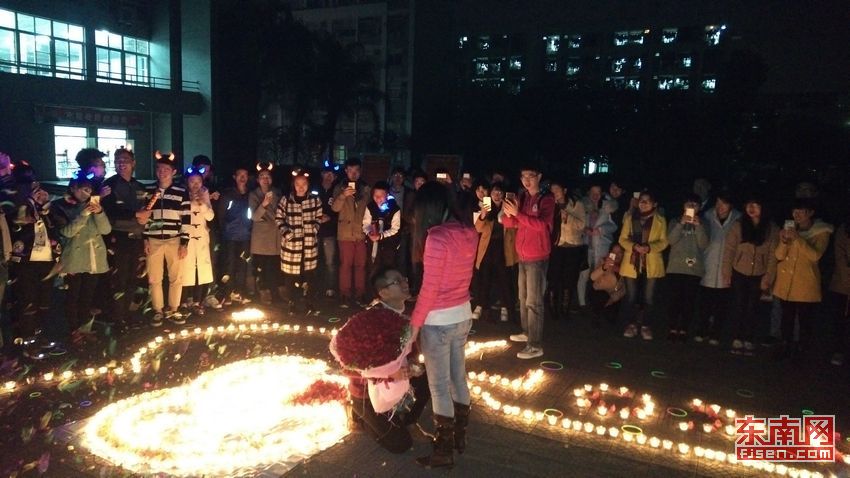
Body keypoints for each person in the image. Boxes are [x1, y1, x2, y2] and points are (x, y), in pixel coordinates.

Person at [409, 182, 477, 468]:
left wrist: (414, 327)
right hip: (462, 315)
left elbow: (429, 289)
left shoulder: (437, 237)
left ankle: (443, 451)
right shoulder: (469, 231)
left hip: (438, 321)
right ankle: (459, 438)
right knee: (458, 378)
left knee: (438, 387)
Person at [347, 267, 430, 454]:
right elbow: (351, 364)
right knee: (401, 445)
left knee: (429, 379)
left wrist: (413, 365)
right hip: (367, 391)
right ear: (383, 293)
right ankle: (359, 414)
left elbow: (410, 349)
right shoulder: (369, 319)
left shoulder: (408, 313)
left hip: (396, 380)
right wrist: (388, 374)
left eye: (404, 279)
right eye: (397, 281)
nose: (405, 283)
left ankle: (408, 421)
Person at [502, 165, 556, 359]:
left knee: (534, 301)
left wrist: (517, 214)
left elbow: (541, 225)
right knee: (523, 298)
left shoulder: (546, 199)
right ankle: (527, 332)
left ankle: (535, 344)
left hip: (537, 256)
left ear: (539, 176)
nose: (526, 180)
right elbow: (513, 223)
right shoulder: (523, 197)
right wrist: (508, 214)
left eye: (530, 176)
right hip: (522, 255)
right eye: (523, 176)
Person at [773, 199, 833, 360]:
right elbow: (779, 255)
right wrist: (783, 241)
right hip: (787, 282)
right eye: (795, 211)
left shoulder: (821, 232)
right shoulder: (790, 229)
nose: (797, 215)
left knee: (805, 320)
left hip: (805, 284)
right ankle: (785, 345)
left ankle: (802, 349)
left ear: (811, 213)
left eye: (801, 211)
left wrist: (797, 238)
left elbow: (815, 255)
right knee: (786, 317)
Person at [53, 170, 111, 335]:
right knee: (73, 296)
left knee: (87, 295)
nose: (86, 193)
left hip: (93, 257)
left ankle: (85, 328)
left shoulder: (93, 206)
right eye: (83, 189)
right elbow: (67, 232)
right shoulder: (60, 206)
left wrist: (99, 212)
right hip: (74, 258)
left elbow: (106, 230)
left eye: (89, 189)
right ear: (73, 189)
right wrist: (84, 214)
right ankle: (73, 330)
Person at [136, 153, 190, 327]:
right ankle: (158, 310)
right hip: (153, 239)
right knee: (154, 277)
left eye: (166, 169)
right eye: (159, 169)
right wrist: (145, 238)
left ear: (173, 172)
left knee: (176, 277)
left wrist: (184, 242)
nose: (162, 172)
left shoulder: (181, 192)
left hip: (174, 239)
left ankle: (173, 309)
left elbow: (186, 218)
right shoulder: (149, 191)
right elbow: (144, 217)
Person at [722, 194, 779, 355]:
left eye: (756, 205)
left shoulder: (772, 228)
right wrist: (726, 272)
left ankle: (749, 338)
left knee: (753, 307)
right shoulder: (738, 225)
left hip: (759, 273)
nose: (751, 208)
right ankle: (737, 337)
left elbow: (772, 256)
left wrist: (768, 278)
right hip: (739, 270)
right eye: (749, 205)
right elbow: (729, 250)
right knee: (739, 305)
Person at [102, 147, 146, 325]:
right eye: (118, 161)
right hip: (118, 238)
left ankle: (127, 314)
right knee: (118, 278)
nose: (121, 164)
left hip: (137, 237)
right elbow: (110, 211)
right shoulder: (109, 185)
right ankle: (117, 317)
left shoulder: (140, 186)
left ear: (133, 163)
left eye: (125, 160)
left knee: (133, 278)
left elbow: (146, 211)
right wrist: (135, 214)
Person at [618, 190, 668, 340]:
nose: (644, 203)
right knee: (631, 296)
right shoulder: (630, 218)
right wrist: (634, 246)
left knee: (649, 297)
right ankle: (631, 324)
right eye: (641, 200)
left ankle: (646, 325)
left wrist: (650, 247)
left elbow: (664, 241)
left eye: (647, 201)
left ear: (654, 204)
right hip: (632, 261)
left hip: (651, 261)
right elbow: (622, 239)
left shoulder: (660, 220)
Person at [694, 193, 740, 345]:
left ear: (731, 205)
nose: (720, 207)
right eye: (718, 203)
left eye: (724, 203)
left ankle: (716, 332)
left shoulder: (738, 219)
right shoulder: (707, 216)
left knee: (722, 304)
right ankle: (702, 329)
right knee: (704, 303)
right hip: (708, 265)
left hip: (726, 268)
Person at [275, 168, 322, 313]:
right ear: (293, 185)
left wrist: (313, 230)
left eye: (304, 184)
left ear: (308, 185)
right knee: (291, 277)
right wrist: (288, 234)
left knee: (309, 275)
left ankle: (309, 302)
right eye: (298, 184)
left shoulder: (315, 200)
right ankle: (292, 302)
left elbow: (319, 217)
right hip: (292, 246)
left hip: (308, 245)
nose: (301, 187)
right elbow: (279, 218)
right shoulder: (286, 200)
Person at [665, 194, 709, 341]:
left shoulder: (704, 223)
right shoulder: (675, 221)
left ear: (699, 207)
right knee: (674, 300)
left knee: (689, 302)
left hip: (693, 269)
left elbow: (703, 244)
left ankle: (684, 329)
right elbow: (670, 240)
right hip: (675, 268)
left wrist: (698, 226)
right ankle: (672, 328)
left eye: (694, 205)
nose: (691, 207)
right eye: (688, 204)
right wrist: (681, 224)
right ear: (683, 206)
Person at [472, 182, 517, 322]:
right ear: (490, 194)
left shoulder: (508, 206)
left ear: (504, 194)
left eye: (500, 193)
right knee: (484, 278)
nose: (497, 195)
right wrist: (483, 215)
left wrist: (509, 213)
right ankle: (482, 305)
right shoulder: (486, 206)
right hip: (487, 247)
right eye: (494, 193)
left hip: (504, 247)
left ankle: (505, 306)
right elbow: (478, 228)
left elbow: (515, 225)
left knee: (504, 278)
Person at [332, 158, 371, 307]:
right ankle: (345, 294)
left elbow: (370, 209)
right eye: (350, 171)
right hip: (345, 233)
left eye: (356, 171)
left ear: (360, 172)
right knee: (346, 265)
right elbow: (335, 208)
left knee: (361, 265)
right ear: (346, 171)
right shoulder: (339, 187)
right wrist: (343, 195)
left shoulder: (366, 188)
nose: (353, 174)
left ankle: (360, 294)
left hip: (361, 232)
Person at [546, 178, 586, 319]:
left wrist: (568, 217)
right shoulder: (550, 205)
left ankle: (565, 309)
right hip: (556, 246)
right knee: (554, 278)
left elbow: (582, 225)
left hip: (573, 246)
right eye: (552, 190)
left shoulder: (576, 204)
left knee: (569, 279)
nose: (554, 193)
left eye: (557, 190)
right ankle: (552, 308)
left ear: (564, 190)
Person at [180, 167, 215, 315]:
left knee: (201, 269)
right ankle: (184, 301)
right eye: (192, 181)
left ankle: (197, 301)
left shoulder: (204, 194)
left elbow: (210, 216)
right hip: (186, 235)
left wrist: (201, 203)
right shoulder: (181, 194)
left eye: (198, 181)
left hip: (201, 236)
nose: (195, 184)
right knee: (185, 268)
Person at [577, 184, 617, 308]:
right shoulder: (582, 206)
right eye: (593, 192)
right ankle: (582, 303)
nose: (595, 195)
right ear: (588, 193)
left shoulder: (607, 207)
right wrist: (584, 229)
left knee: (600, 274)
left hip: (601, 246)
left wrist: (601, 230)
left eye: (598, 192)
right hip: (585, 246)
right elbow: (577, 223)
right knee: (583, 275)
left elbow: (614, 226)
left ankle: (598, 303)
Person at [217, 167, 252, 305]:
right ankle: (227, 293)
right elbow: (221, 215)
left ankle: (240, 293)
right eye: (239, 175)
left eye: (245, 175)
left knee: (243, 264)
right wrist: (225, 229)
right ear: (234, 177)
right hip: (230, 236)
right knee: (229, 264)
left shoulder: (250, 194)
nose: (242, 178)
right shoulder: (228, 194)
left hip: (245, 235)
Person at [249, 163, 282, 305]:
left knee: (274, 266)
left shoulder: (278, 193)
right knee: (261, 267)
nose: (265, 179)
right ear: (258, 180)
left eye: (268, 177)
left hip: (275, 237)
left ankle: (276, 294)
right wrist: (264, 204)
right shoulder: (253, 195)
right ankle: (263, 293)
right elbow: (254, 216)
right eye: (262, 177)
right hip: (261, 238)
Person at [362, 181, 402, 277]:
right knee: (373, 270)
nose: (378, 198)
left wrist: (381, 236)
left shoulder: (395, 209)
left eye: (381, 196)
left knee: (387, 272)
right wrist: (369, 233)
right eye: (375, 195)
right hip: (373, 246)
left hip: (389, 246)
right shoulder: (370, 207)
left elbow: (395, 228)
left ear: (387, 195)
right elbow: (366, 224)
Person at [828, 214, 850, 366]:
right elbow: (840, 257)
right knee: (840, 318)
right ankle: (839, 349)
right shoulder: (844, 229)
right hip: (843, 284)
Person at [317, 162, 339, 297]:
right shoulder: (314, 189)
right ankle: (315, 287)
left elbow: (340, 211)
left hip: (330, 231)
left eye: (332, 175)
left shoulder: (336, 191)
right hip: (314, 231)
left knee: (330, 262)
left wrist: (330, 218)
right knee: (314, 260)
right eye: (327, 174)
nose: (329, 177)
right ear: (322, 174)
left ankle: (330, 287)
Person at [589, 243, 626, 323]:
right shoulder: (604, 261)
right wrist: (604, 267)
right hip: (599, 292)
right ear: (610, 253)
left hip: (614, 295)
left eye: (619, 252)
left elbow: (624, 288)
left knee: (612, 319)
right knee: (601, 297)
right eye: (614, 252)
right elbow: (592, 277)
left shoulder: (625, 267)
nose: (617, 255)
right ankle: (596, 314)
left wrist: (613, 298)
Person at [407, 170, 428, 297]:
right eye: (417, 182)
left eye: (422, 182)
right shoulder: (411, 195)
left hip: (427, 233)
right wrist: (413, 219)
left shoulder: (430, 196)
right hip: (415, 233)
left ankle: (424, 288)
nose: (419, 184)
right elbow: (406, 213)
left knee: (426, 261)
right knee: (415, 261)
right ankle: (415, 287)